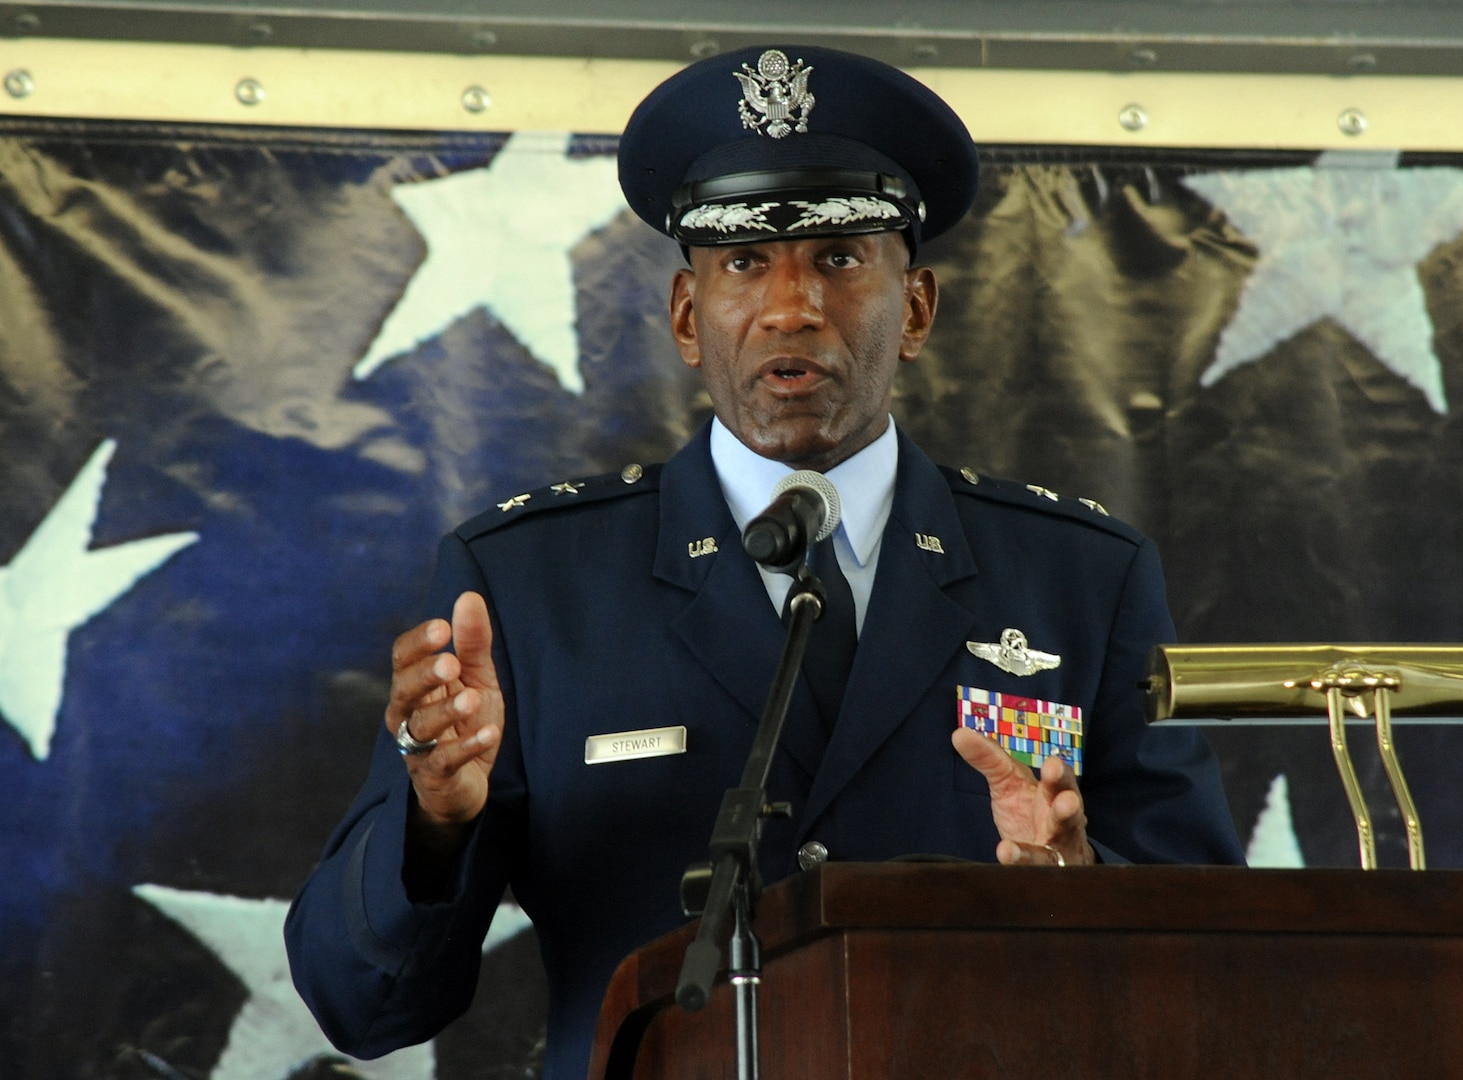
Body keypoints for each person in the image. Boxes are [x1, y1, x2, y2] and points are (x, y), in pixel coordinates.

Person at [285, 44, 1244, 1080]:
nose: (792, 305)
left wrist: (1079, 882)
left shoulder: (1077, 576)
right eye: (745, 262)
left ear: (914, 308)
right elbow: (362, 1005)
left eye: (839, 257)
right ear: (690, 319)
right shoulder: (528, 586)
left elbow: (1207, 972)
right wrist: (436, 821)